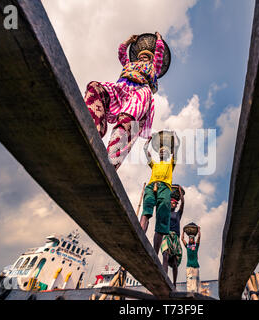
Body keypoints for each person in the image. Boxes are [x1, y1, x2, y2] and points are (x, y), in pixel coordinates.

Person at [84, 32, 165, 170]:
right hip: (122, 88)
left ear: (150, 59)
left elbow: (159, 53)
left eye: (146, 56)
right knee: (95, 88)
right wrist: (128, 41)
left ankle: (111, 160)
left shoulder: (153, 68)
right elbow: (121, 52)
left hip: (139, 91)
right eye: (141, 56)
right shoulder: (129, 65)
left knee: (127, 119)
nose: (142, 57)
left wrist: (159, 39)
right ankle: (90, 133)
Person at [140, 133, 180, 255]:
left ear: (168, 154)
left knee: (162, 220)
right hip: (152, 186)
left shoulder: (171, 164)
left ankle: (155, 254)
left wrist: (175, 137)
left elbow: (177, 149)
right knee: (146, 211)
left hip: (165, 188)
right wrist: (148, 141)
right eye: (161, 151)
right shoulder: (154, 164)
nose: (163, 152)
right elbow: (145, 151)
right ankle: (140, 236)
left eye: (165, 151)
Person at [160, 186, 184, 288]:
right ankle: (164, 277)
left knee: (174, 262)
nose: (173, 204)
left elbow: (182, 204)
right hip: (166, 235)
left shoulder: (178, 214)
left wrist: (181, 195)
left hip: (175, 237)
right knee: (165, 254)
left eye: (175, 203)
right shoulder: (165, 212)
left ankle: (174, 283)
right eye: (172, 202)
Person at [182, 226, 201, 293]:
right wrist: (183, 231)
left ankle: (196, 293)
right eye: (190, 238)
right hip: (189, 265)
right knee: (189, 280)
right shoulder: (187, 246)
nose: (191, 239)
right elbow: (182, 239)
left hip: (195, 265)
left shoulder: (196, 246)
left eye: (192, 239)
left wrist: (198, 230)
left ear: (193, 239)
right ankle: (189, 293)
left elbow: (199, 238)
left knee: (196, 280)